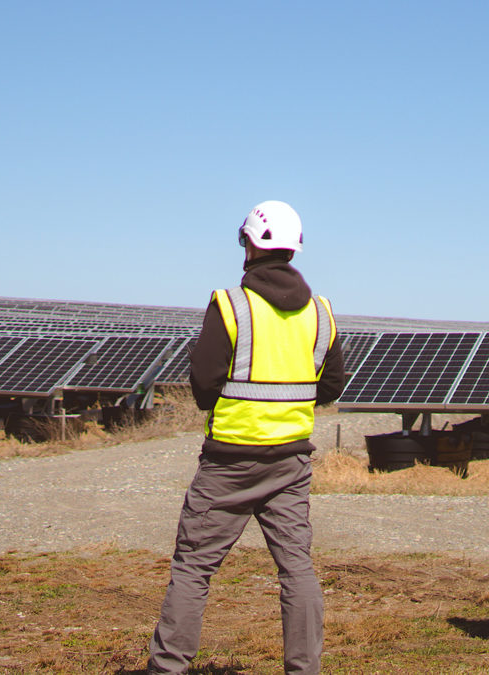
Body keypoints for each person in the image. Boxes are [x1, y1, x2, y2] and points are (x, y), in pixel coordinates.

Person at [147, 200, 345, 674]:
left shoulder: (230, 304)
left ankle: (168, 668)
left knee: (194, 568)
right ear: (294, 249)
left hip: (229, 463)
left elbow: (203, 384)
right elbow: (331, 386)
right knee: (296, 570)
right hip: (291, 464)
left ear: (250, 243)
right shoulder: (321, 312)